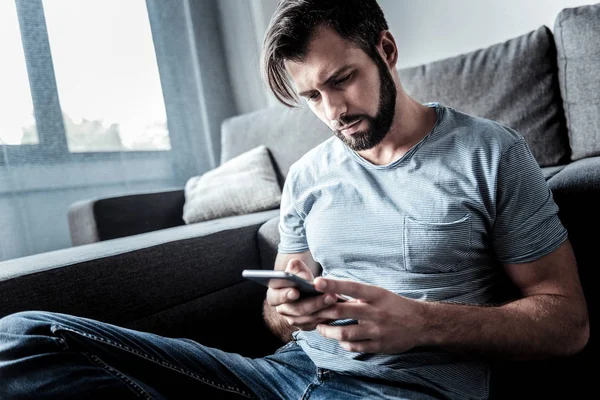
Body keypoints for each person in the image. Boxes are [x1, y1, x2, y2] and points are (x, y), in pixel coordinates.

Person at [0, 0, 589, 399]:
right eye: (311, 96)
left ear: (385, 49)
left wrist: (421, 324)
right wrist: (286, 309)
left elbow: (566, 323)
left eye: (342, 79)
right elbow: (278, 320)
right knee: (23, 337)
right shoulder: (307, 177)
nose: (333, 112)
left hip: (408, 388)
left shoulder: (490, 153)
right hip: (282, 377)